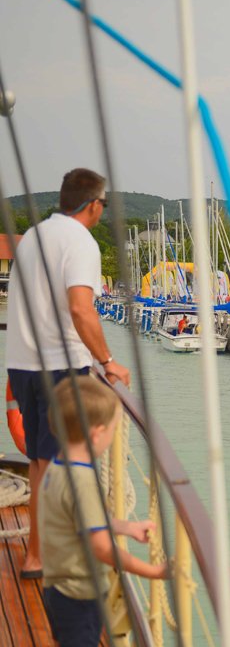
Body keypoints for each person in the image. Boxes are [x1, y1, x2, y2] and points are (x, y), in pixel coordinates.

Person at [6, 168, 130, 580]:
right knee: (57, 464)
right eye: (103, 204)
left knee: (41, 461)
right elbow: (80, 308)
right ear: (93, 205)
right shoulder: (80, 242)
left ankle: (42, 551)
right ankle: (40, 557)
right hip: (58, 365)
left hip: (23, 363)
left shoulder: (33, 237)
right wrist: (108, 360)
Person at [41, 376, 169, 647]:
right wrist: (153, 572)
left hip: (56, 586)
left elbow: (84, 521)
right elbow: (101, 548)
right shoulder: (83, 481)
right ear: (97, 434)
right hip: (79, 592)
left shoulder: (57, 467)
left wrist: (126, 527)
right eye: (112, 432)